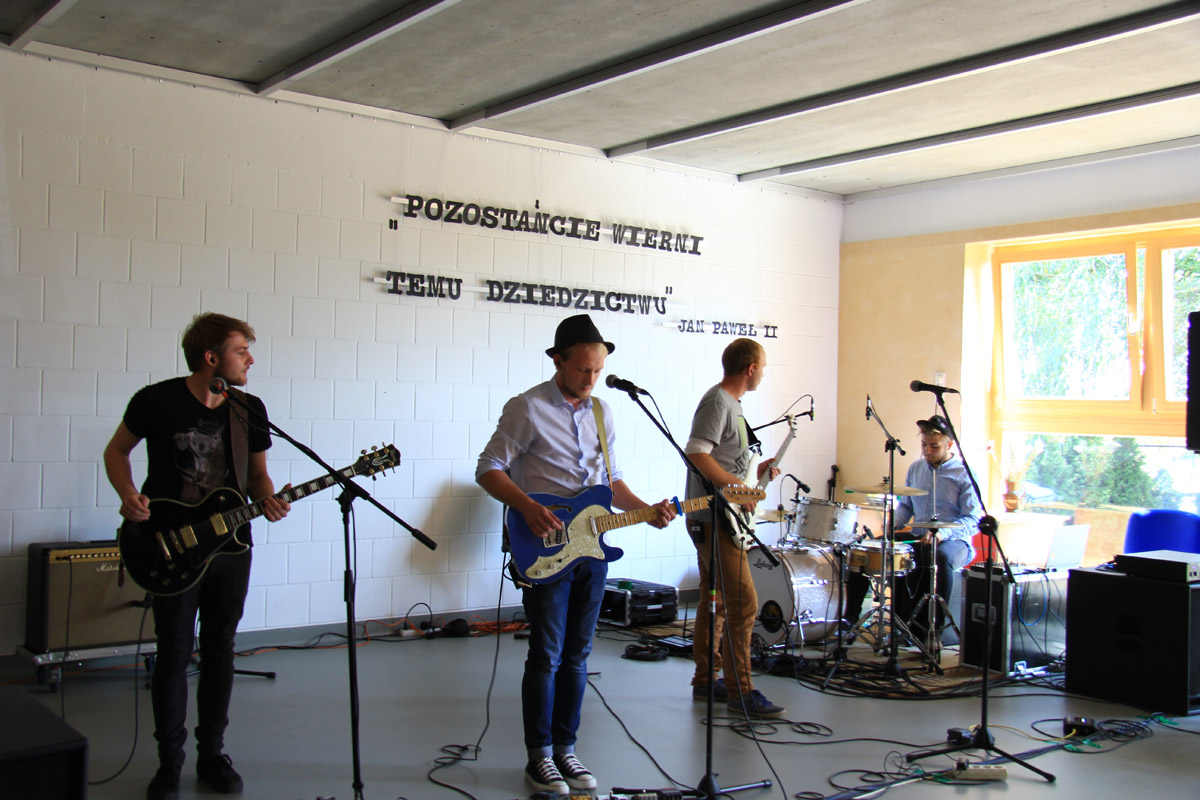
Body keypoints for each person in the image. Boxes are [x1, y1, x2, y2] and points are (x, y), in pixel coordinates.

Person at [476, 314, 677, 796]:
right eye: (583, 369)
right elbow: (488, 468)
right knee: (546, 653)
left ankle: (566, 748)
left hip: (592, 550)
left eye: (598, 370)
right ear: (558, 361)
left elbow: (612, 483)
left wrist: (645, 510)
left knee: (578, 654)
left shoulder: (603, 412)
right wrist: (526, 507)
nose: (591, 379)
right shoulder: (527, 407)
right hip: (543, 545)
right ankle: (539, 757)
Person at [104, 313, 290, 800]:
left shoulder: (248, 408)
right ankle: (169, 762)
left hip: (232, 546)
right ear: (212, 358)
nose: (250, 359)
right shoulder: (155, 400)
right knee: (172, 651)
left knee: (220, 648)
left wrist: (269, 500)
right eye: (241, 350)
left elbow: (258, 477)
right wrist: (128, 495)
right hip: (168, 545)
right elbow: (116, 452)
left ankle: (212, 754)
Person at [684, 338, 786, 719]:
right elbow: (697, 454)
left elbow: (724, 461)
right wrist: (738, 489)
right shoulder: (718, 402)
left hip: (720, 515)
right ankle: (741, 691)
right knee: (744, 603)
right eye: (763, 367)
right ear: (750, 368)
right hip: (714, 519)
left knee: (716, 600)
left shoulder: (733, 406)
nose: (764, 374)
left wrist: (756, 473)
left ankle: (706, 679)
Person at [843, 415, 981, 643]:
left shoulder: (964, 474)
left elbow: (973, 519)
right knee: (866, 550)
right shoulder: (916, 468)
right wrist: (894, 523)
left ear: (949, 445)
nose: (927, 451)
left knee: (941, 556)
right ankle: (850, 619)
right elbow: (906, 506)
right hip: (919, 536)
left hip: (955, 541)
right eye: (924, 445)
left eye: (934, 446)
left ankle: (936, 629)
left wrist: (943, 533)